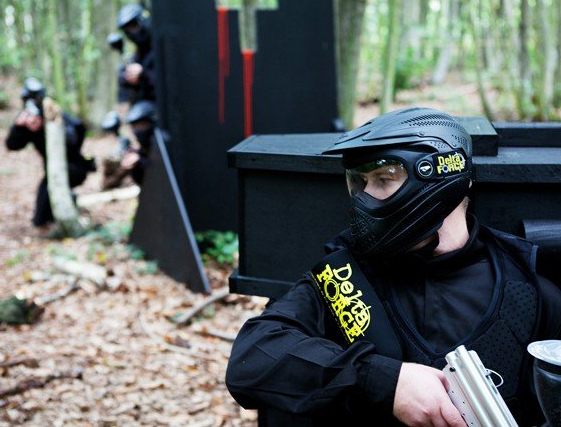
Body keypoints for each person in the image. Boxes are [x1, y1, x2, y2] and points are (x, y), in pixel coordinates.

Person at [225, 107, 561, 426]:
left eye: (384, 178)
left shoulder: (528, 292)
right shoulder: (345, 281)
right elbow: (253, 358)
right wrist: (387, 383)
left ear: (441, 176)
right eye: (360, 182)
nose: (365, 197)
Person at [5, 77, 96, 231]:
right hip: (52, 172)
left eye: (34, 98)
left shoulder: (54, 113)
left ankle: (65, 210)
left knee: (50, 189)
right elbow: (12, 145)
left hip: (75, 167)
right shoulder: (27, 120)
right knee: (41, 215)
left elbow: (73, 138)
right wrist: (18, 127)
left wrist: (47, 126)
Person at [115, 4, 156, 106]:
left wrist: (143, 74)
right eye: (127, 30)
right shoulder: (138, 54)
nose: (131, 33)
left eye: (133, 26)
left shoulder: (160, 48)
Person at [119, 99, 158, 186]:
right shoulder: (142, 150)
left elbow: (161, 169)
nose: (138, 130)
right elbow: (142, 181)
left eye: (142, 125)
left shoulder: (163, 144)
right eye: (135, 126)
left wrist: (140, 160)